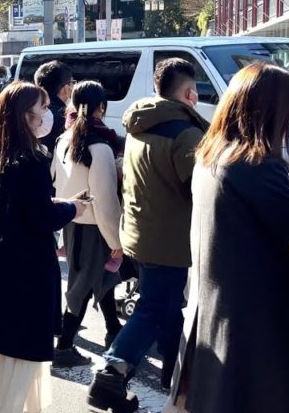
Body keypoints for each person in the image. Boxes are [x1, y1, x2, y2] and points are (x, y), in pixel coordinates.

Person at [165, 63, 289, 413]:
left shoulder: (211, 155)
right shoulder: (256, 163)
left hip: (213, 312)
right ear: (271, 111)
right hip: (256, 328)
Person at [88, 58, 209, 408]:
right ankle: (110, 376)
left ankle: (175, 373)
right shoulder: (185, 133)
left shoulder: (140, 124)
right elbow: (199, 190)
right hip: (169, 239)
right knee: (155, 308)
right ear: (189, 93)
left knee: (169, 307)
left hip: (140, 232)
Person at [0, 81, 88, 413]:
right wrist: (71, 208)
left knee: (2, 361)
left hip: (1, 274)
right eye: (42, 108)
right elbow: (38, 216)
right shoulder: (30, 159)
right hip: (26, 276)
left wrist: (56, 203)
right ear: (25, 115)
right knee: (19, 363)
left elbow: (19, 208)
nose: (47, 114)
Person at [51, 81, 124, 368]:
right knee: (83, 285)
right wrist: (116, 241)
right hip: (95, 226)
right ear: (101, 108)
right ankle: (65, 346)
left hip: (71, 221)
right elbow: (106, 201)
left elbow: (57, 183)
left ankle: (113, 329)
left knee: (100, 278)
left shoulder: (64, 139)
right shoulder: (101, 147)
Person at [34, 60, 75, 155]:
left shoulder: (30, 112)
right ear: (66, 88)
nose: (73, 86)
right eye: (72, 82)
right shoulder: (64, 118)